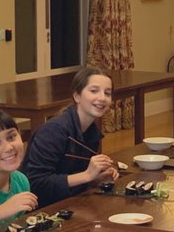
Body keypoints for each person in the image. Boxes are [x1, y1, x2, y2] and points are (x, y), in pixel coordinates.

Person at [20, 66, 119, 208]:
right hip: (41, 210)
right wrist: (86, 175)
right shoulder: (53, 131)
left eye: (107, 93)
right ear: (77, 96)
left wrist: (95, 178)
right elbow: (35, 184)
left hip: (70, 203)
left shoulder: (92, 131)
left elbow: (73, 178)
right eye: (94, 91)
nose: (102, 98)